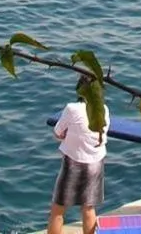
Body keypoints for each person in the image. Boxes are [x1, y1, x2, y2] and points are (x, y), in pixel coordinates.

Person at [47, 75, 111, 234]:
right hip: (96, 163)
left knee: (58, 210)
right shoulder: (104, 109)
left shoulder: (71, 108)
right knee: (88, 209)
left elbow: (57, 132)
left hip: (73, 163)